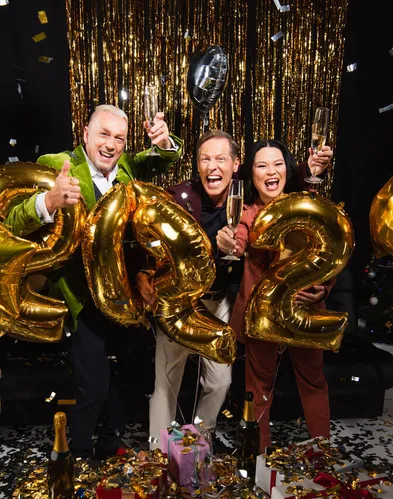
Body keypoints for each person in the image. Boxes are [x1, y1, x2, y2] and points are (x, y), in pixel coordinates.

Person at [4, 104, 183, 458]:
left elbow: (164, 158)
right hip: (82, 299)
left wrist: (164, 141)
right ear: (85, 134)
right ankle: (79, 455)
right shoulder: (58, 164)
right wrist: (48, 201)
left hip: (125, 295)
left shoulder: (128, 168)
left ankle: (110, 442)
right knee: (94, 388)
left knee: (130, 378)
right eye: (103, 134)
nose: (111, 145)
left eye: (119, 138)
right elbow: (12, 219)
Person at [137, 130, 332, 448]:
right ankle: (160, 454)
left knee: (223, 381)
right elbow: (158, 240)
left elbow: (321, 239)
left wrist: (324, 287)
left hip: (233, 306)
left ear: (235, 165)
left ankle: (199, 443)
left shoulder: (261, 200)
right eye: (204, 158)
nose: (212, 166)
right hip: (189, 304)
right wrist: (146, 270)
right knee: (167, 384)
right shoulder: (190, 198)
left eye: (220, 159)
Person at [216, 139, 334, 453]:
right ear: (251, 174)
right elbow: (237, 239)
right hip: (262, 314)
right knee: (258, 389)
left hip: (303, 310)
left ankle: (322, 452)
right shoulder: (246, 212)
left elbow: (330, 250)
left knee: (313, 381)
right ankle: (259, 458)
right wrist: (230, 244)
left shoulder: (306, 204)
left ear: (288, 168)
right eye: (262, 165)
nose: (271, 171)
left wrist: (324, 288)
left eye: (278, 163)